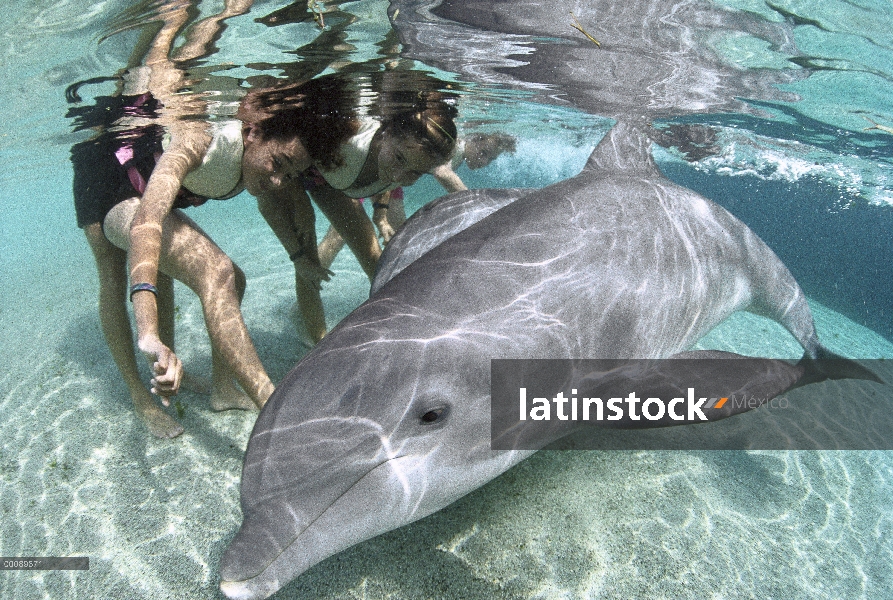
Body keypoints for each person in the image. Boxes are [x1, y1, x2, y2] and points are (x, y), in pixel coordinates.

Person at [70, 0, 277, 439]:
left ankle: (220, 386)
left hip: (144, 170)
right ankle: (140, 395)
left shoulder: (225, 136)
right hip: (103, 172)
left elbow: (182, 57)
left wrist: (219, 17)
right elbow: (165, 59)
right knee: (113, 273)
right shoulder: (165, 100)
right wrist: (206, 17)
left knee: (222, 277)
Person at [241, 76, 459, 340]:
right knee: (308, 262)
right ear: (386, 132)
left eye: (416, 173)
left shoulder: (404, 156)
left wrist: (381, 212)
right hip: (305, 175)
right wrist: (300, 213)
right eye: (400, 159)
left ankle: (400, 331)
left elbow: (392, 176)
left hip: (336, 179)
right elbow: (275, 189)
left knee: (375, 260)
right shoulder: (347, 134)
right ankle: (316, 341)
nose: (401, 175)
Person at [317, 131, 516, 268]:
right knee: (340, 235)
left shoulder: (459, 154)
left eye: (490, 159)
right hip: (375, 175)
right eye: (483, 153)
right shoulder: (454, 145)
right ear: (474, 139)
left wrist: (382, 214)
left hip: (392, 183)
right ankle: (310, 282)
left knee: (401, 235)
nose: (484, 161)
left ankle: (397, 285)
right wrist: (480, 210)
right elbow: (442, 173)